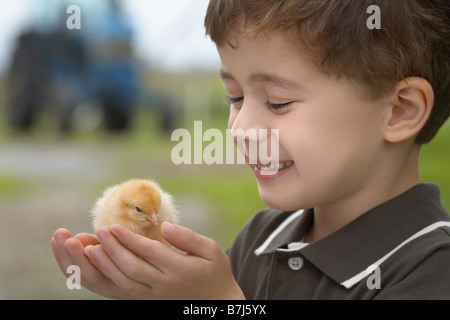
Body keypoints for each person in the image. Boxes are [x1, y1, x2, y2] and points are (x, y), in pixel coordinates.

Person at [51, 0, 450, 299]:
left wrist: (221, 302)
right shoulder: (261, 236)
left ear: (400, 110)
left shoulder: (431, 271)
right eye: (235, 97)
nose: (240, 128)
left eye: (277, 102)